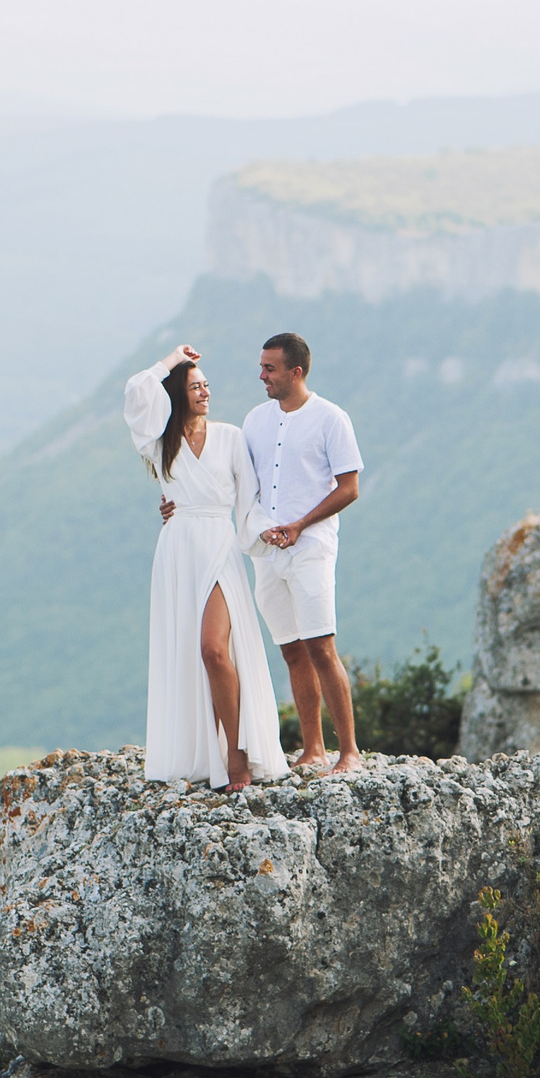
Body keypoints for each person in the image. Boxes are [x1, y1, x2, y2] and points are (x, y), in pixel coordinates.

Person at [122, 343, 289, 791]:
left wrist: (270, 532)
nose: (205, 392)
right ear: (178, 392)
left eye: (207, 385)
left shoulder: (231, 437)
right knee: (189, 652)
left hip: (218, 545)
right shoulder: (161, 444)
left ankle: (238, 758)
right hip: (177, 551)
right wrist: (172, 359)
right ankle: (202, 753)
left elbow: (249, 502)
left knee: (215, 650)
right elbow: (138, 391)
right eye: (195, 386)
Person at [242, 331, 364, 776]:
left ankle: (349, 751)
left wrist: (299, 526)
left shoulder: (331, 418)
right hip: (266, 552)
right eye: (261, 367)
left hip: (311, 547)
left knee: (321, 647)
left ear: (296, 371)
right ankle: (313, 748)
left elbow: (349, 488)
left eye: (269, 368)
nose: (262, 376)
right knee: (291, 650)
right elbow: (236, 481)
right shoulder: (254, 420)